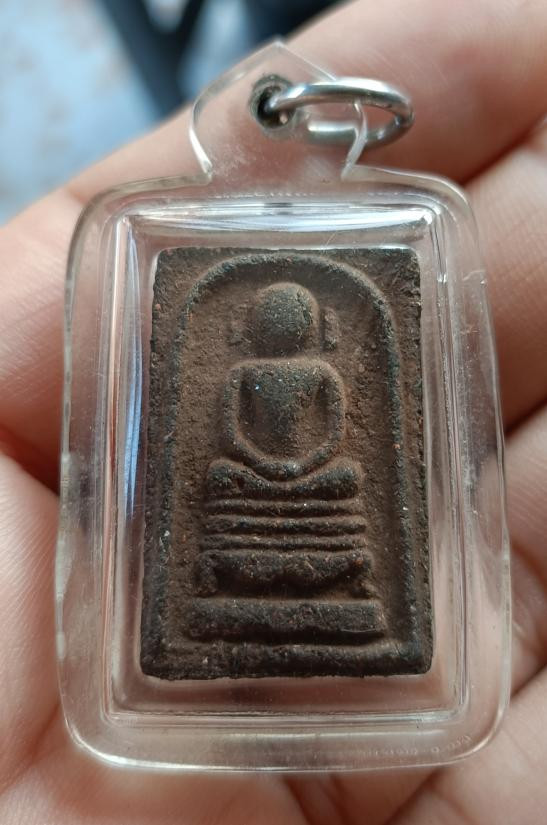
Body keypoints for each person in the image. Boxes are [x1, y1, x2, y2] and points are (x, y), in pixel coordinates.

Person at [0, 0, 546, 822]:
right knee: (220, 478)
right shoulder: (243, 368)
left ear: (310, 324)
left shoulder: (324, 372)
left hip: (319, 480)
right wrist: (263, 465)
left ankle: (327, 572)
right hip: (249, 479)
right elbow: (229, 435)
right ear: (261, 324)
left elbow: (336, 436)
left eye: (294, 317)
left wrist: (303, 465)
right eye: (276, 318)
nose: (284, 327)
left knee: (346, 483)